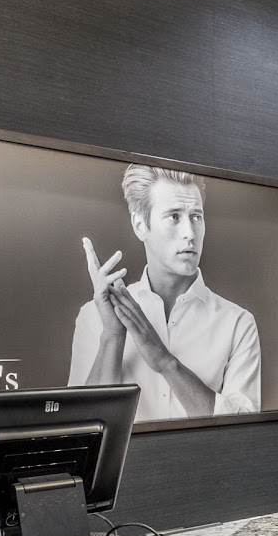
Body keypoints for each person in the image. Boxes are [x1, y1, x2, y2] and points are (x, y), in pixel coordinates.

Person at [70, 164, 262, 421]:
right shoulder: (93, 316)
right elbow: (79, 427)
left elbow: (245, 430)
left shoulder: (238, 324)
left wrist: (164, 361)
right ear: (140, 225)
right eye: (174, 217)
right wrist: (112, 336)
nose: (190, 234)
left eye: (197, 217)